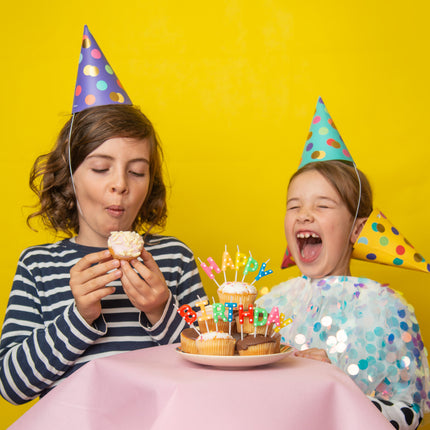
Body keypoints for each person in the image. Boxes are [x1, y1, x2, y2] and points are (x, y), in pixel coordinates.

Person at [0, 27, 206, 405]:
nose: (120, 185)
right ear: (70, 175)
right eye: (100, 168)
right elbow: (11, 387)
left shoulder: (174, 258)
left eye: (137, 171)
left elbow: (212, 362)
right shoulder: (38, 266)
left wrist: (162, 311)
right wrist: (78, 315)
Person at [257, 99, 429, 430]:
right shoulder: (267, 306)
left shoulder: (388, 310)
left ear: (358, 229)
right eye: (294, 206)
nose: (304, 214)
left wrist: (336, 386)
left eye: (322, 205)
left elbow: (408, 416)